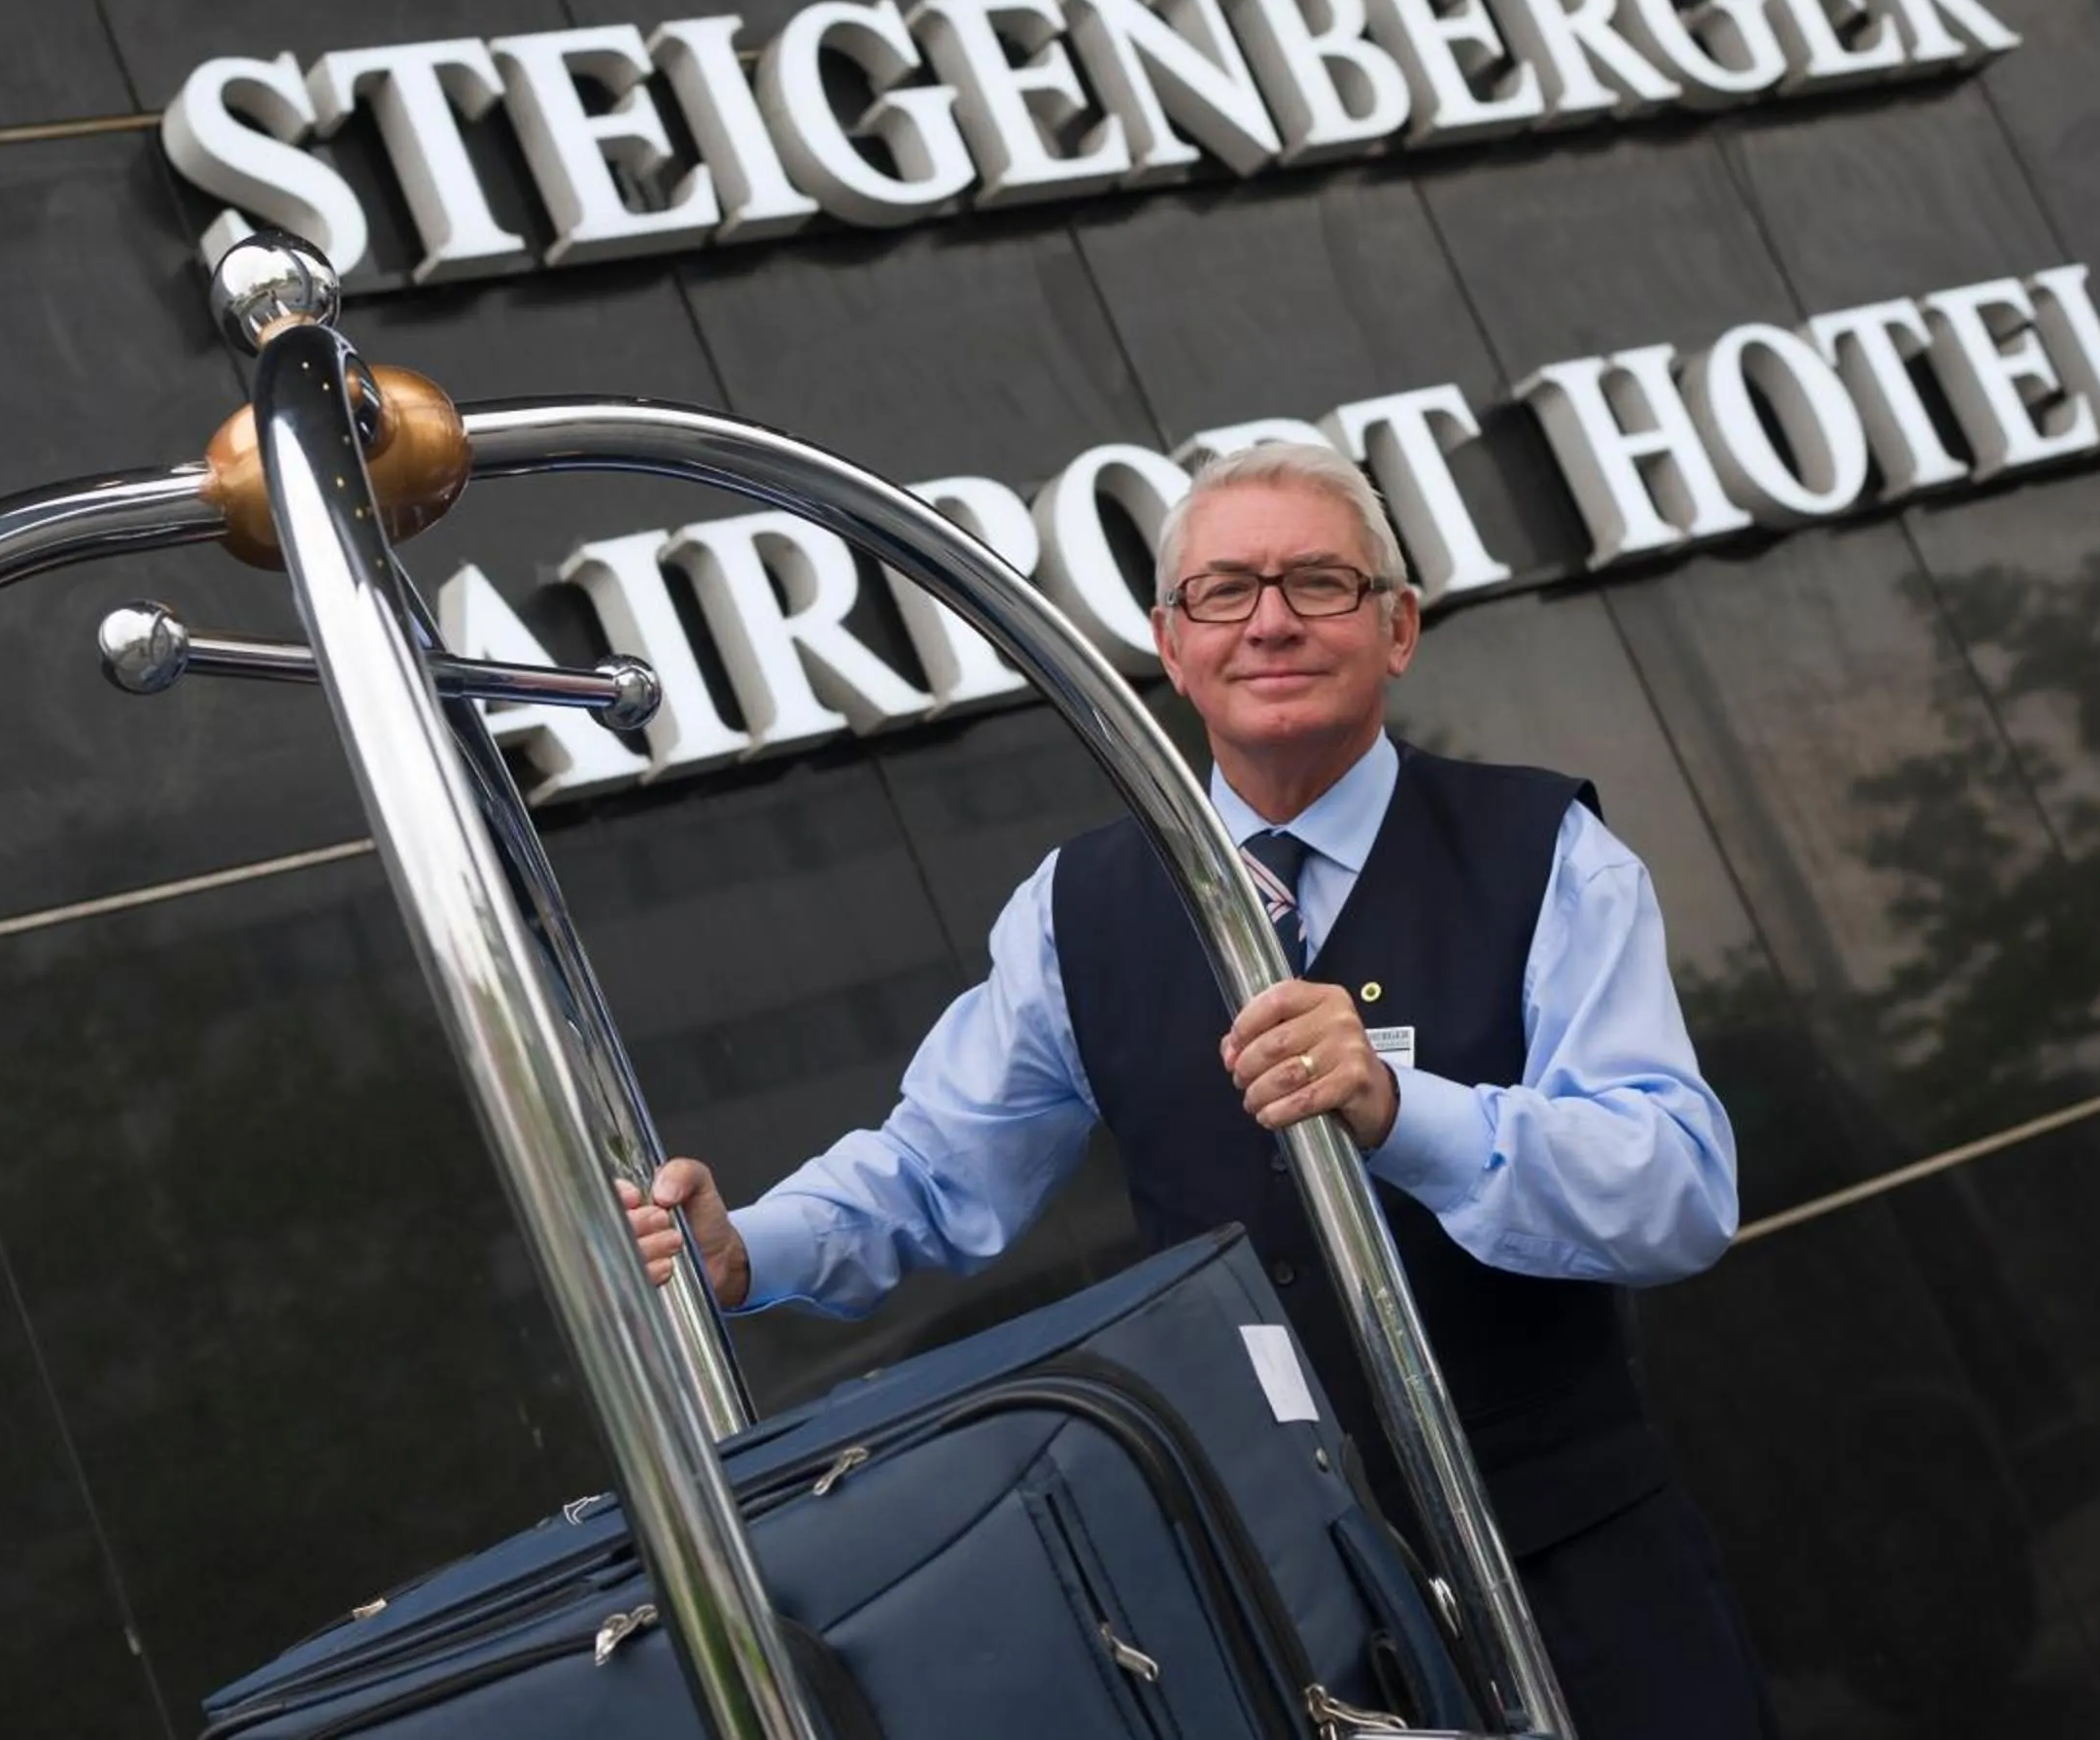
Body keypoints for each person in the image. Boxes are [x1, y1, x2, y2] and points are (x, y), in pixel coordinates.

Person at [622, 440, 1768, 1739]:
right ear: (1172, 646)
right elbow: (936, 1172)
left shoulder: (1549, 850)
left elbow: (1677, 1190)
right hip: (1286, 1605)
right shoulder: (1080, 911)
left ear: (1398, 628)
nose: (1269, 619)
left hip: (1582, 1574)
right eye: (1224, 591)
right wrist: (744, 1250)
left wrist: (1410, 1115)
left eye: (1318, 582)